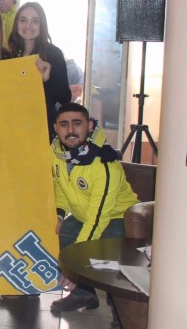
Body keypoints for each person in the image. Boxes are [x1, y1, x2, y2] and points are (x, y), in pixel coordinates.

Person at [49, 103, 139, 314]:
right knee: (55, 236)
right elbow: (60, 186)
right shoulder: (56, 152)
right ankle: (84, 293)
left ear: (89, 126)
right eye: (64, 124)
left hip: (118, 217)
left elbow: (97, 219)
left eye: (77, 123)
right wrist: (59, 215)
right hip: (83, 215)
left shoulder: (104, 164)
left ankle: (120, 311)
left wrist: (74, 267)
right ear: (56, 128)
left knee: (104, 257)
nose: (71, 130)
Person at [7, 2, 71, 136]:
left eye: (35, 21)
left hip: (42, 127)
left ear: (42, 25)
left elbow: (65, 97)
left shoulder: (53, 53)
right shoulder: (8, 54)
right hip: (12, 125)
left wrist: (46, 80)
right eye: (23, 20)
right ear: (16, 23)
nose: (28, 26)